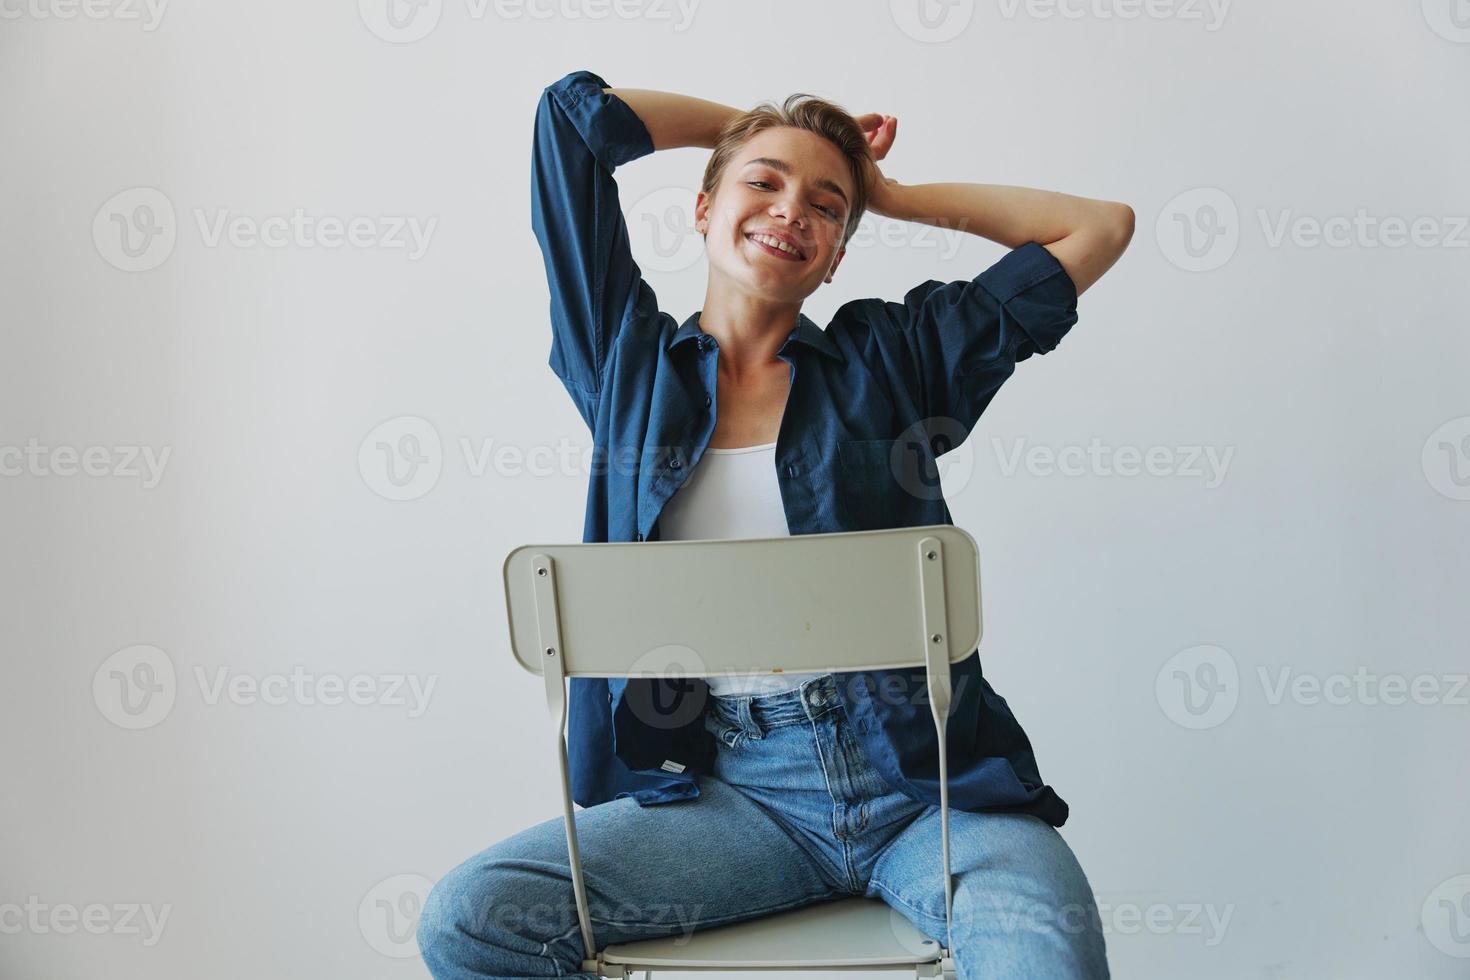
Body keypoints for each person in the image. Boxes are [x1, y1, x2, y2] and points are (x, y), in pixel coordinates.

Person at [418, 68, 1133, 980]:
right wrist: (762, 130)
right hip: (733, 801)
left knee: (1047, 958)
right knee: (472, 920)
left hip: (928, 790)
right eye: (763, 184)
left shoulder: (897, 361)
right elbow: (569, 123)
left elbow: (1099, 226)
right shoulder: (624, 364)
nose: (792, 208)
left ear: (837, 256)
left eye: (827, 206)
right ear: (702, 208)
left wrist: (889, 192)